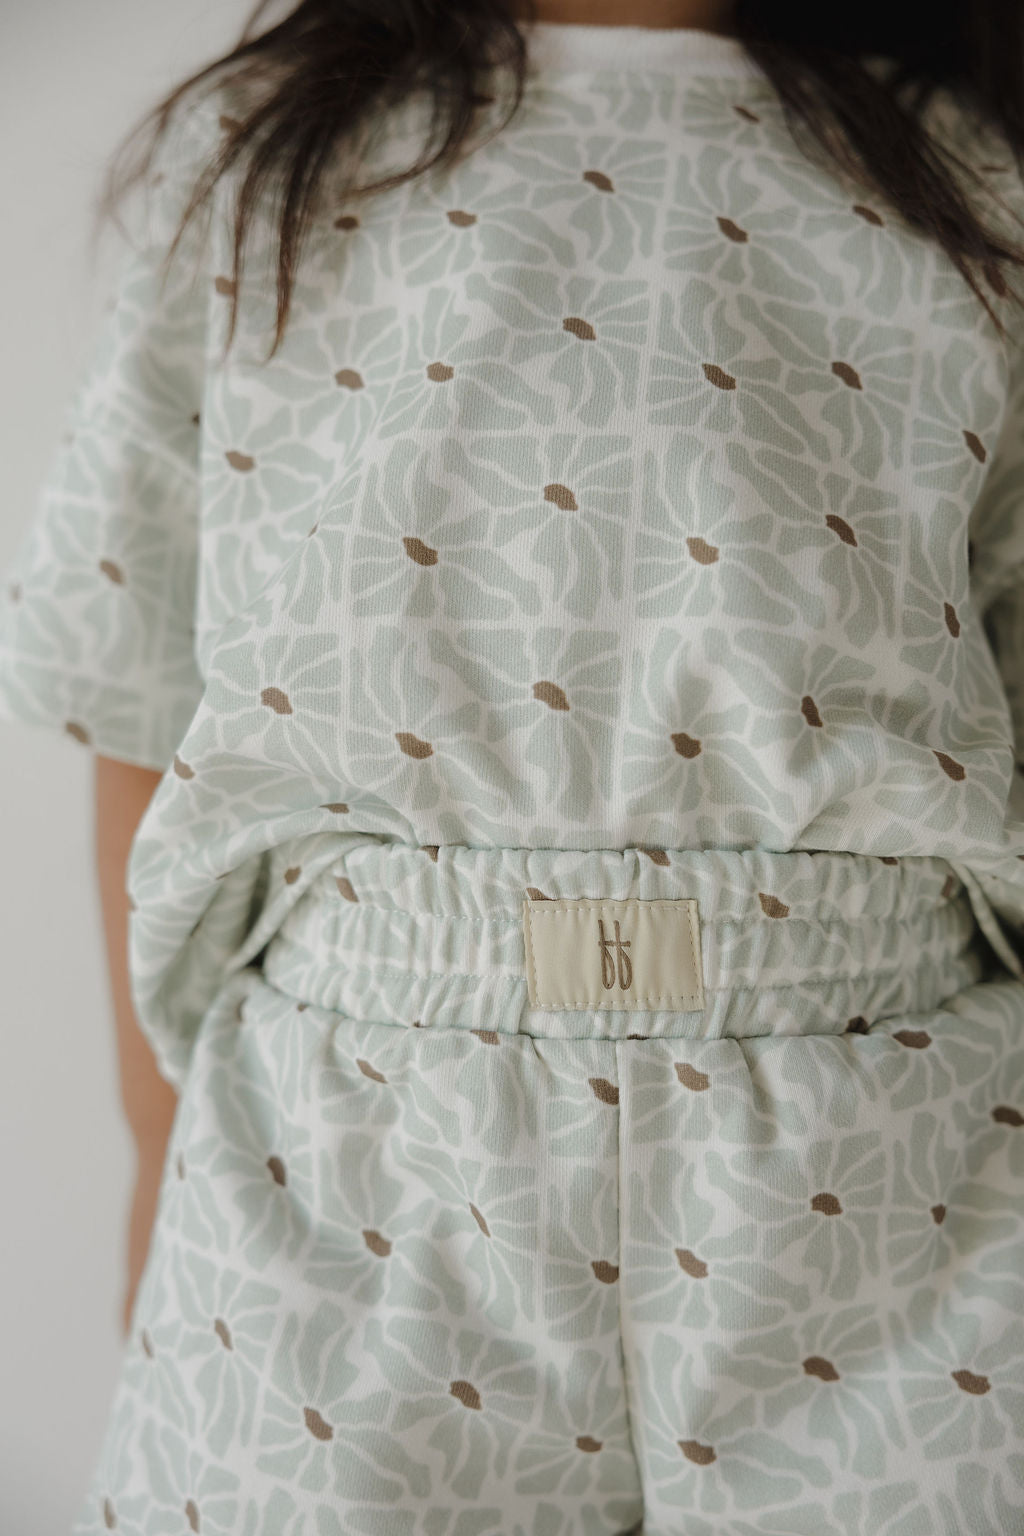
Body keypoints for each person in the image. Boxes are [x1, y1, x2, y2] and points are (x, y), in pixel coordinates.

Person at [2, 0, 1023, 1529]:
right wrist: (158, 1150)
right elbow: (139, 686)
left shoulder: (965, 175)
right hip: (349, 1154)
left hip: (894, 1154)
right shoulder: (263, 158)